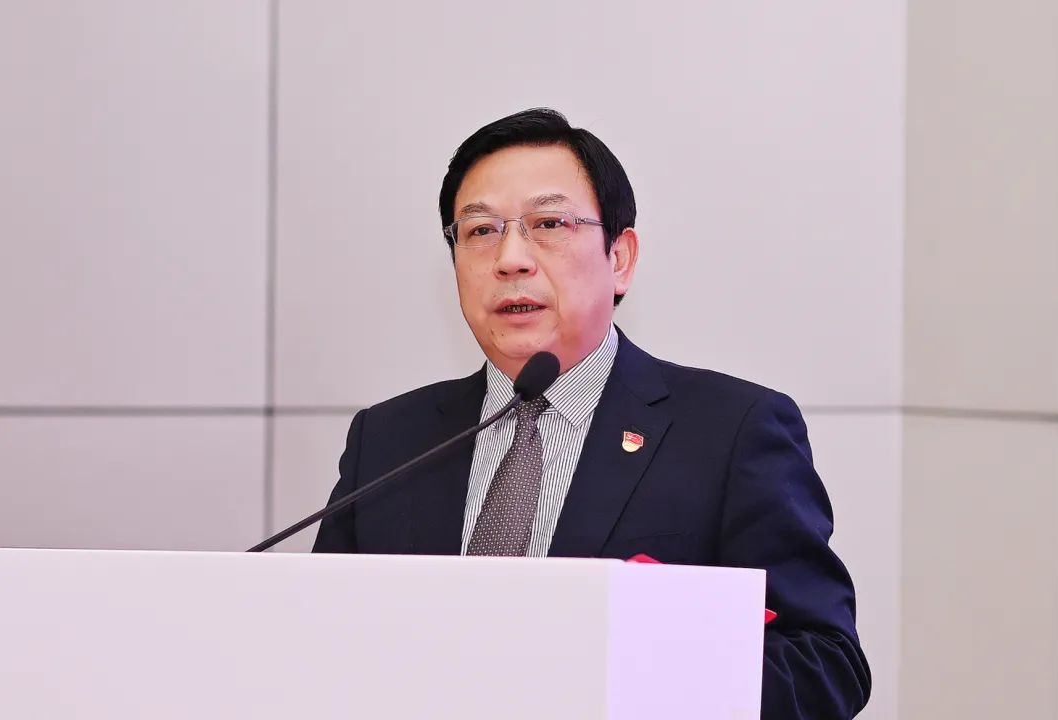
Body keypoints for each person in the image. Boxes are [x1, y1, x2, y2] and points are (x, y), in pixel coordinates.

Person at [313, 108, 871, 718]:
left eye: (549, 223)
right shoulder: (389, 441)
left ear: (620, 258)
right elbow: (317, 644)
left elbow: (824, 664)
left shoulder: (732, 432)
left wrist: (632, 671)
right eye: (480, 231)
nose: (510, 258)